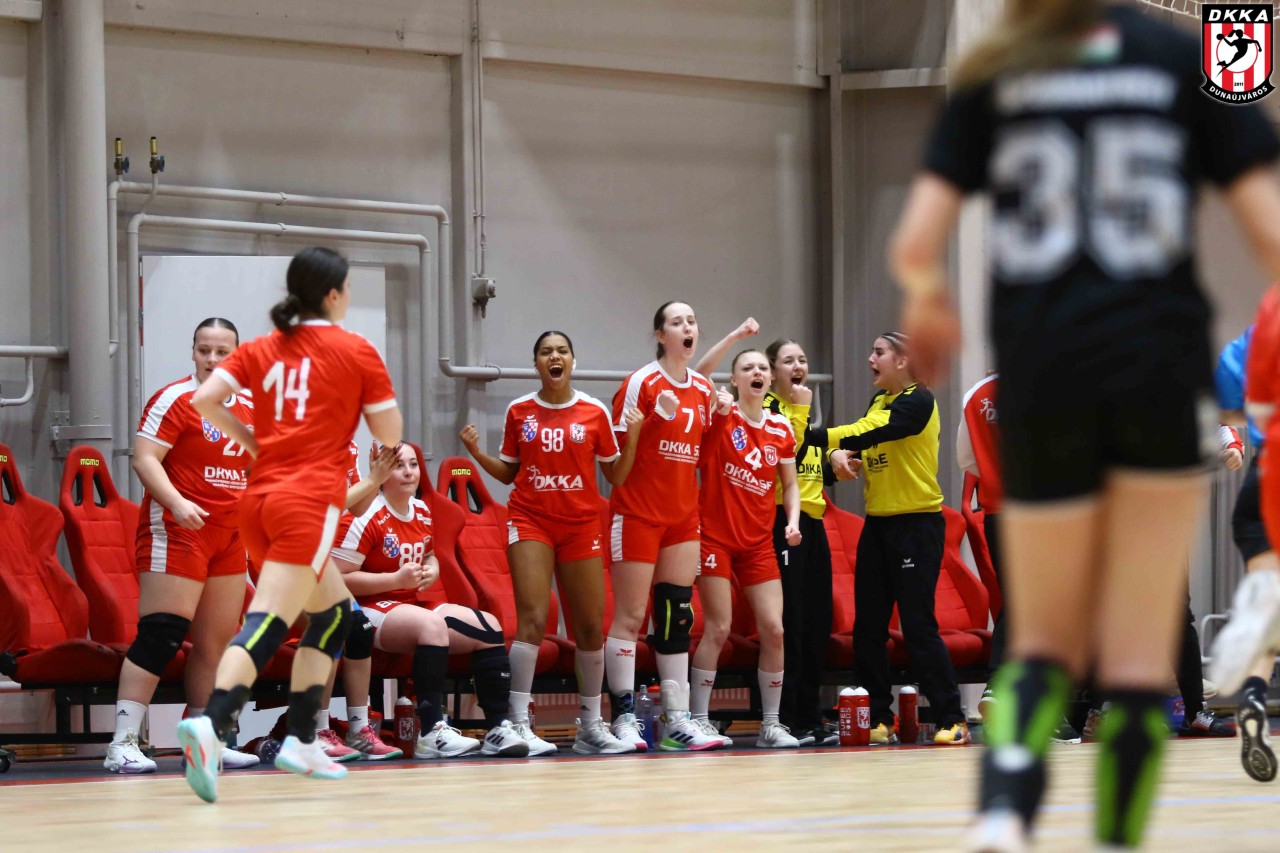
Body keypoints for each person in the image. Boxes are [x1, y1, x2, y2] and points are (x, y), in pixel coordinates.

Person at [889, 0, 1280, 846]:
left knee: (1040, 639)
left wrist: (926, 295)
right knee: (1138, 657)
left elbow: (916, 244)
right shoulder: (1175, 55)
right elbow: (1269, 228)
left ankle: (1004, 813)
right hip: (1155, 367)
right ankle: (1115, 836)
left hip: (1044, 371)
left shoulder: (999, 67)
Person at [176, 246, 403, 803]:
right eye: (347, 289)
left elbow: (205, 399)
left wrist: (256, 443)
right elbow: (390, 432)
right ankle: (212, 722)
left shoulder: (262, 347)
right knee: (269, 619)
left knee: (334, 615)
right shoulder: (354, 349)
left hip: (259, 501)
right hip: (308, 502)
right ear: (333, 294)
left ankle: (302, 738)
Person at [460, 330, 642, 756]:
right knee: (533, 618)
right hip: (531, 520)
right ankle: (518, 722)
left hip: (580, 526)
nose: (554, 357)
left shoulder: (594, 411)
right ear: (537, 363)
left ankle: (590, 726)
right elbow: (509, 473)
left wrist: (633, 436)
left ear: (572, 361)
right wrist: (476, 453)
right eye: (546, 352)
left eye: (562, 351)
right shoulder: (519, 410)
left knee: (590, 628)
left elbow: (616, 475)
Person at [105, 318, 260, 774]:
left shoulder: (251, 408)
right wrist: (176, 502)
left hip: (229, 536)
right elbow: (144, 458)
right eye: (204, 350)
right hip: (177, 530)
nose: (212, 359)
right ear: (193, 352)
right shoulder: (174, 399)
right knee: (163, 633)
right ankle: (122, 742)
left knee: (217, 643)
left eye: (222, 352)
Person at [807, 333, 969, 747]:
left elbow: (868, 431)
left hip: (916, 525)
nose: (870, 358)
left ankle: (952, 718)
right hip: (878, 525)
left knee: (917, 625)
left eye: (878, 352)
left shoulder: (919, 400)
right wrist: (839, 457)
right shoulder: (879, 401)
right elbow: (866, 443)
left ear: (902, 360)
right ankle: (880, 717)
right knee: (868, 627)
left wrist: (817, 437)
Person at [331, 442, 528, 759]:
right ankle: (431, 732)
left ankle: (497, 728)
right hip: (370, 608)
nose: (409, 472)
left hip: (409, 605)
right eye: (399, 465)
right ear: (381, 473)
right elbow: (338, 580)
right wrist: (395, 580)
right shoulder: (364, 515)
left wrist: (432, 569)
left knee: (489, 626)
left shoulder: (421, 510)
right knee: (432, 626)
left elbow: (431, 554)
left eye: (413, 465)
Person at [604, 301, 724, 751]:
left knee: (676, 616)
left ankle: (677, 720)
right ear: (660, 335)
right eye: (677, 322)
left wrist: (721, 419)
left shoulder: (702, 388)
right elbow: (617, 459)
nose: (687, 327)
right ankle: (623, 719)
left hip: (682, 518)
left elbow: (702, 456)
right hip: (637, 514)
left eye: (691, 321)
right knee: (631, 616)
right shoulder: (641, 383)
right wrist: (658, 417)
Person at [688, 349, 802, 748]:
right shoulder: (722, 414)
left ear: (770, 380)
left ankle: (771, 725)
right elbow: (697, 373)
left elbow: (790, 484)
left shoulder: (780, 427)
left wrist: (792, 520)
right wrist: (737, 337)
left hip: (758, 544)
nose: (757, 372)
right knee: (718, 628)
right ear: (735, 380)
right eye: (747, 368)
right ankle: (698, 719)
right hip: (714, 538)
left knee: (774, 629)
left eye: (763, 368)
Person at [959, 373, 1081, 744]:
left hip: (998, 515)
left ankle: (1002, 689)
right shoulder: (1047, 384)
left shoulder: (975, 396)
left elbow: (969, 462)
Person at [762, 339, 839, 746]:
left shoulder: (803, 409)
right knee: (790, 619)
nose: (798, 366)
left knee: (817, 620)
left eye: (803, 359)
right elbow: (785, 451)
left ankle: (811, 714)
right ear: (772, 369)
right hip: (780, 519)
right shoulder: (770, 408)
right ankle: (787, 716)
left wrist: (835, 463)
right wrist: (802, 411)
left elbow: (810, 463)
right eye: (788, 360)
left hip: (814, 520)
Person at [1209, 322, 1277, 781]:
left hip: (1266, 474)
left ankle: (1253, 695)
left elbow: (1223, 403)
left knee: (1268, 608)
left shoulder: (1264, 327)